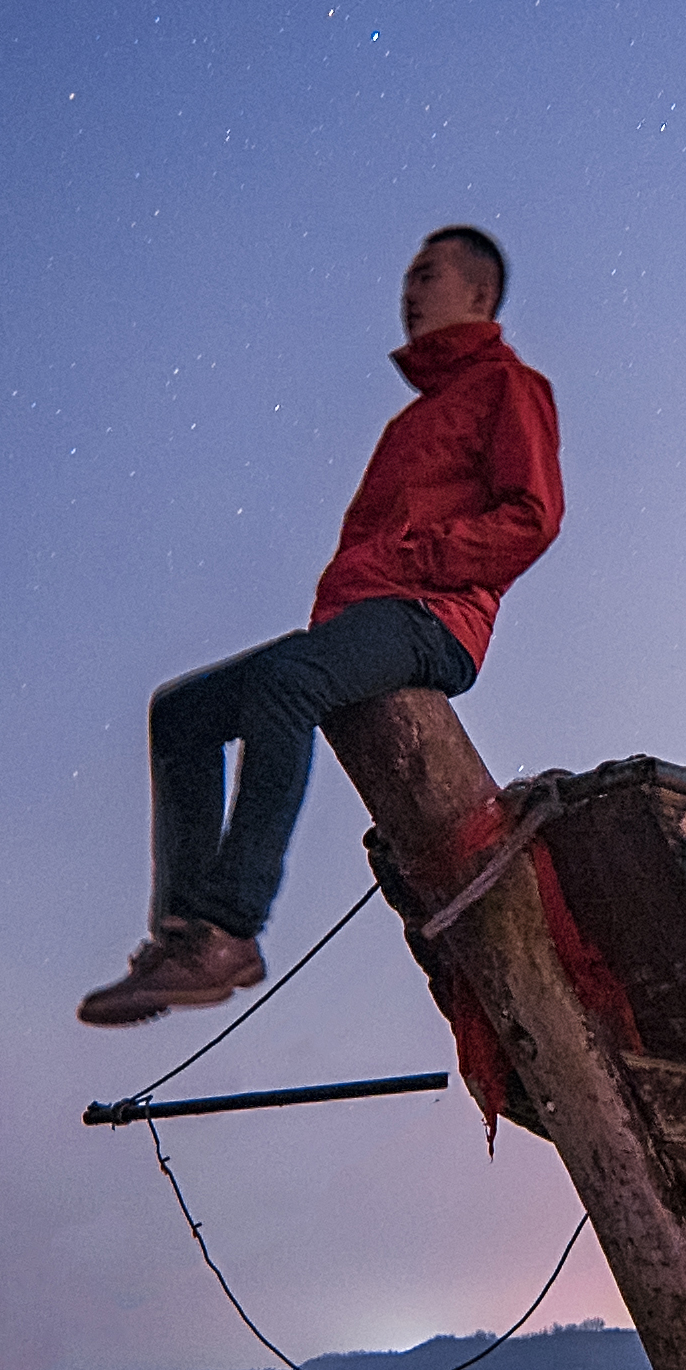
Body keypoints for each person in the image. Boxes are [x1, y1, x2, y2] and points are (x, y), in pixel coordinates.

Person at [79, 224, 559, 1025]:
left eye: (427, 275)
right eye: (405, 278)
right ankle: (183, 932)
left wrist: (419, 557)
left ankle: (230, 927)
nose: (408, 292)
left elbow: (532, 517)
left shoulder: (510, 387)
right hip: (369, 614)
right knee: (182, 712)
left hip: (435, 619)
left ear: (478, 294)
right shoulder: (409, 425)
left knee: (286, 682)